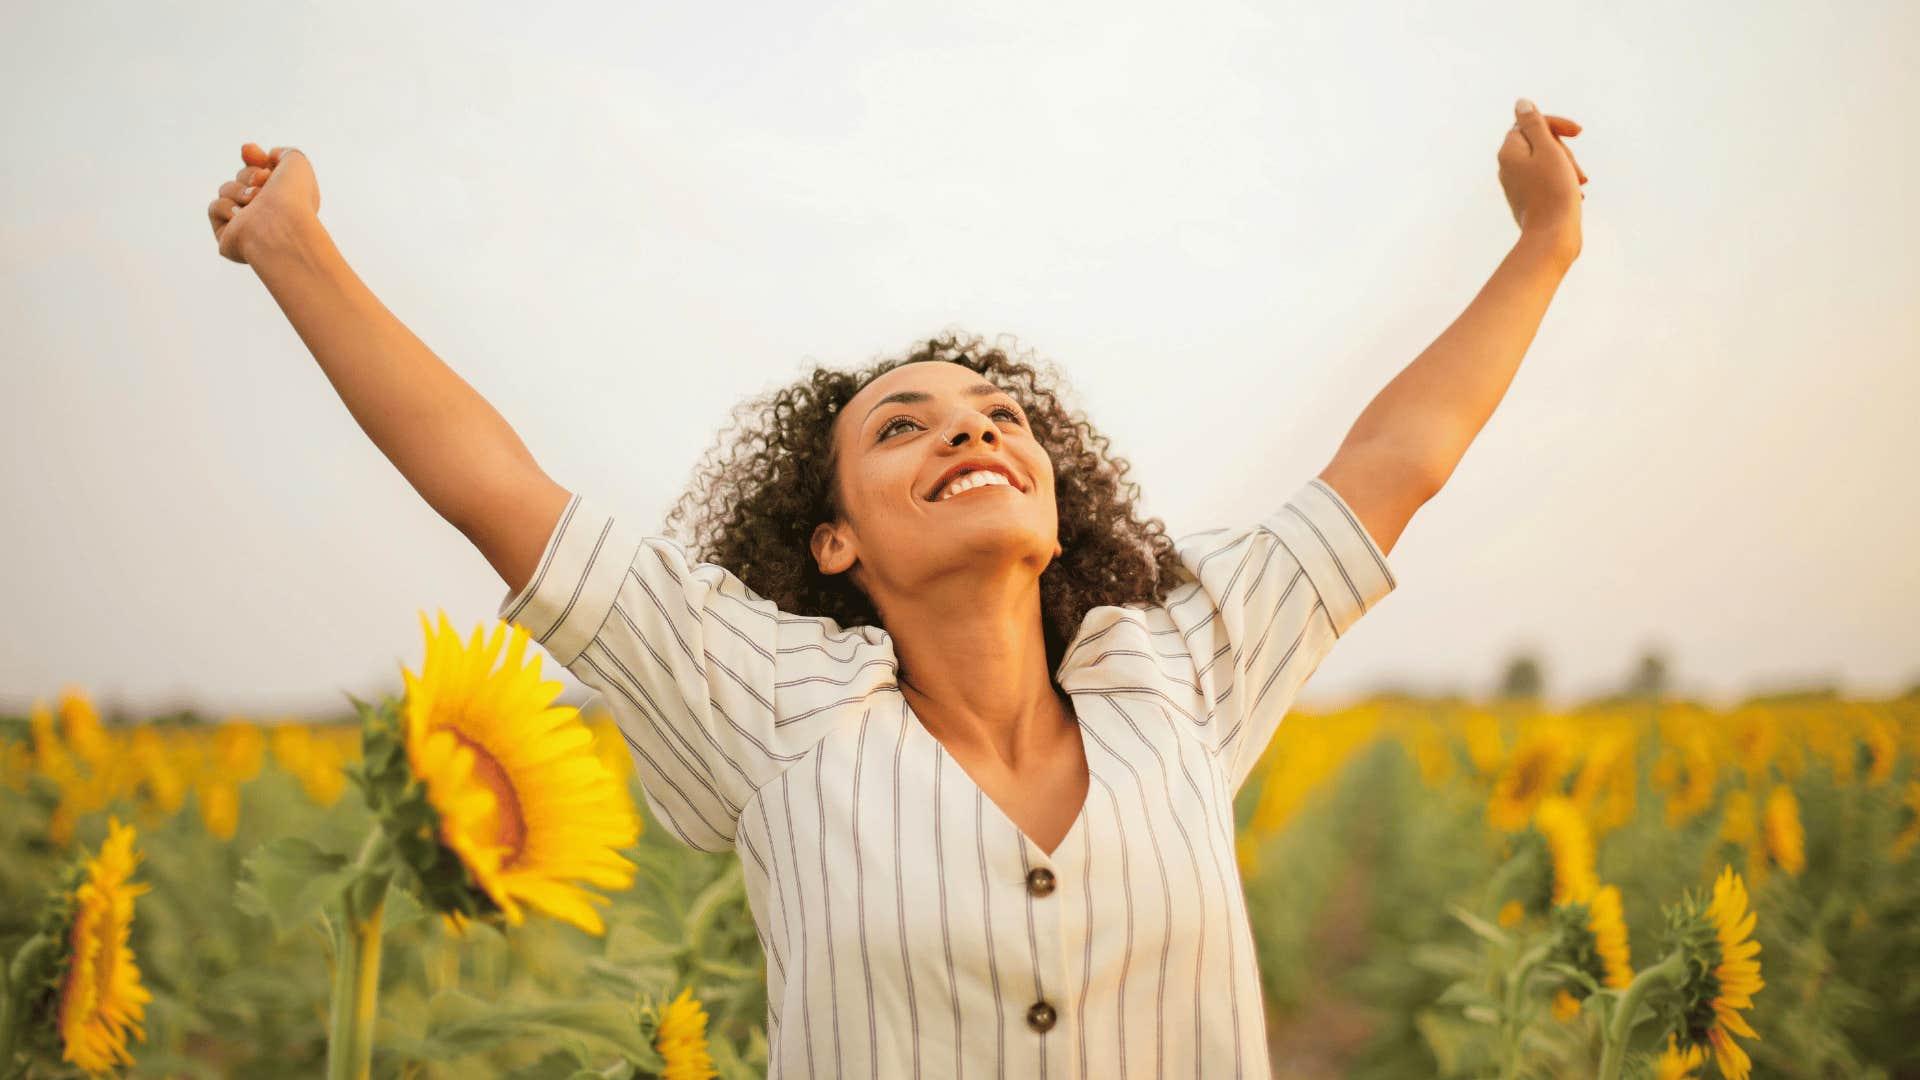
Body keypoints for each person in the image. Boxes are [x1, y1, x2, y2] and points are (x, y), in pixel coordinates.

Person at [206, 96, 1584, 1075]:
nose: (973, 431)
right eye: (903, 427)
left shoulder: (1180, 670)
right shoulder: (769, 706)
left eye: (998, 416)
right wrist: (293, 244)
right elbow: (496, 492)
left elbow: (1397, 460)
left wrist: (1542, 246)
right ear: (833, 542)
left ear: (1058, 507)